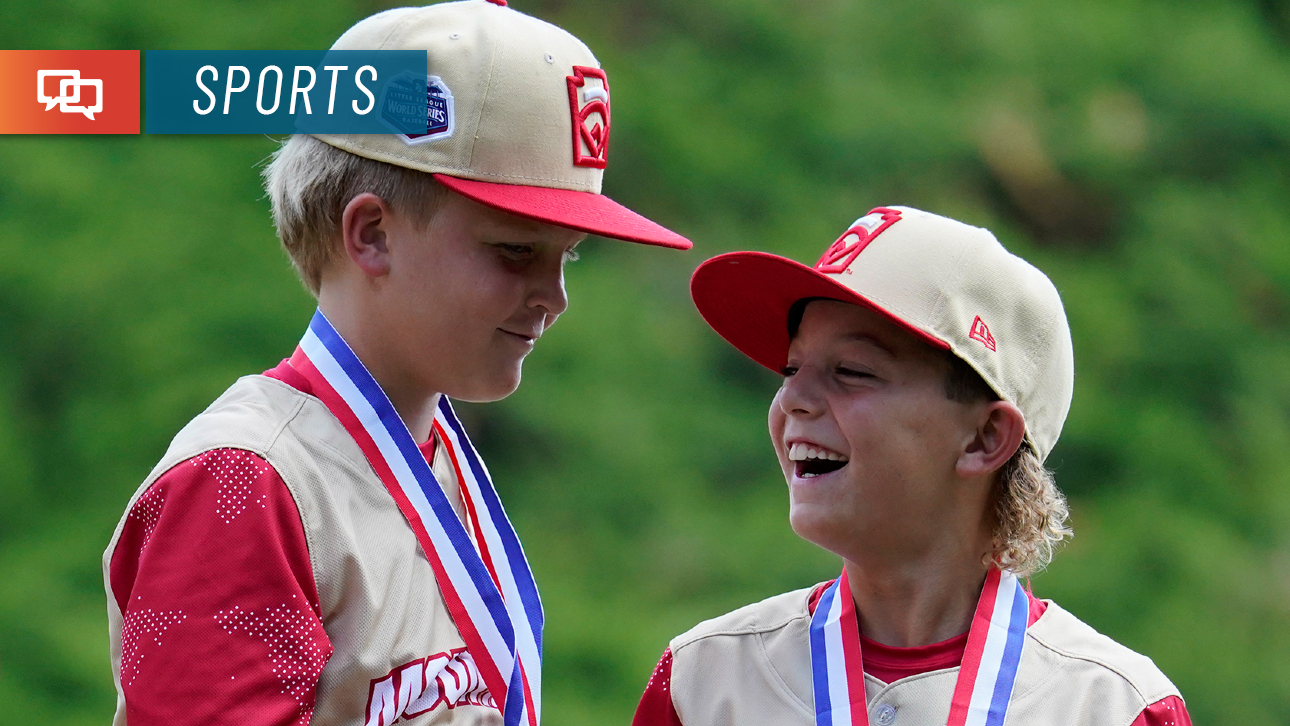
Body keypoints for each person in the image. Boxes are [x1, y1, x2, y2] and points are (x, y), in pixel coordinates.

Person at [102, 2, 691, 725]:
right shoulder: (249, 481)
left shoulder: (436, 454)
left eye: (566, 256)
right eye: (515, 251)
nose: (555, 296)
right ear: (372, 234)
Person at [631, 206, 1190, 726]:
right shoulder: (702, 683)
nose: (792, 399)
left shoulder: (1113, 705)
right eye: (791, 367)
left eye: (852, 370)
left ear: (985, 437)